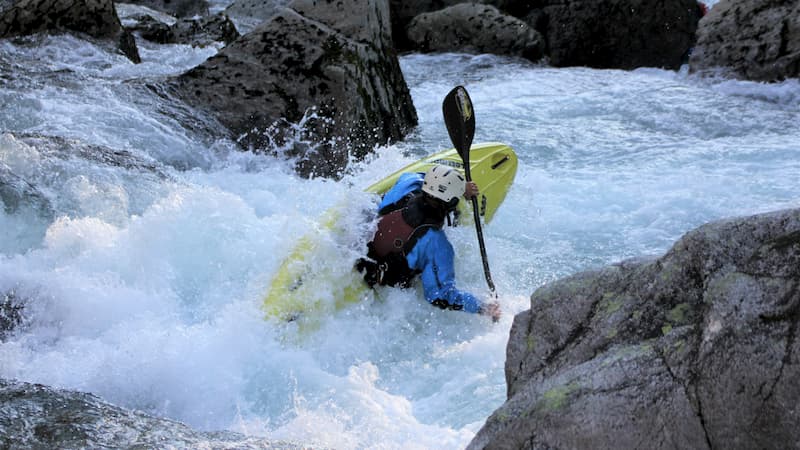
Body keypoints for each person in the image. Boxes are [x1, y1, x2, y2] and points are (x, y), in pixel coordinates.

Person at [356, 165, 501, 321]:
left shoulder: (408, 185)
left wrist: (460, 188)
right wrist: (483, 307)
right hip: (386, 277)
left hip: (360, 246)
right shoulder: (436, 243)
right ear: (451, 202)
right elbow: (440, 296)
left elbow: (418, 178)